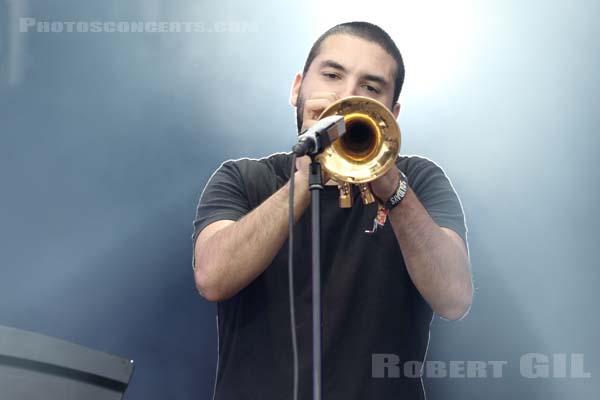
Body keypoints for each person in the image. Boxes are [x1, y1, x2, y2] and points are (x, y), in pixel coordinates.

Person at [192, 21, 473, 400]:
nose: (347, 95)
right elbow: (212, 277)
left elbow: (454, 298)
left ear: (392, 112)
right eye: (332, 75)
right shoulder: (244, 178)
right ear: (298, 88)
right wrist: (306, 176)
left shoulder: (419, 181)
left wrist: (390, 184)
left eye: (370, 88)